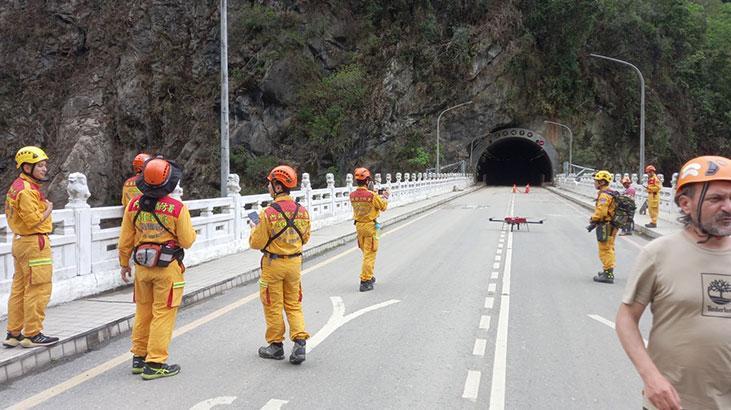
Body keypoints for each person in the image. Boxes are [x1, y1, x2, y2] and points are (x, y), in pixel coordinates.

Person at [616, 155, 731, 410]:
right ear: (685, 204)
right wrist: (651, 377)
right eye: (716, 199)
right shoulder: (658, 254)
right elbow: (626, 318)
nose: (728, 207)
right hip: (673, 404)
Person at [118, 157, 196, 380]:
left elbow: (125, 238)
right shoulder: (177, 208)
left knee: (143, 312)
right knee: (163, 313)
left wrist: (124, 263)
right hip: (167, 268)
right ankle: (155, 363)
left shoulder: (133, 205)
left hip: (142, 267)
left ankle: (139, 358)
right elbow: (187, 240)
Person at [249, 165, 311, 364]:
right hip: (295, 263)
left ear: (277, 185)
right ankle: (300, 341)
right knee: (293, 304)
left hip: (273, 264)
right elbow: (306, 238)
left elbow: (255, 243)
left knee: (272, 304)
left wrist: (254, 228)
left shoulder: (266, 213)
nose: (268, 186)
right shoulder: (302, 211)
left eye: (270, 183)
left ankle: (276, 346)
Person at [3, 146, 59, 348]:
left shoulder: (17, 186)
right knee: (38, 288)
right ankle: (33, 334)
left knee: (19, 289)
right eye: (40, 166)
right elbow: (33, 220)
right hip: (34, 242)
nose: (45, 169)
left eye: (45, 165)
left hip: (20, 242)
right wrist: (49, 209)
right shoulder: (26, 191)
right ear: (27, 167)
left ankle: (13, 333)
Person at [349, 168, 388, 292]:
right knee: (369, 255)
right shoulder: (372, 195)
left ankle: (369, 275)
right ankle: (365, 281)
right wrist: (385, 197)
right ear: (367, 181)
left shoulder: (352, 195)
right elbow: (383, 207)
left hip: (359, 227)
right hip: (371, 227)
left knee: (365, 252)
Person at [587, 170, 617, 284]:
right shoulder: (610, 192)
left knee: (605, 249)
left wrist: (593, 219)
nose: (595, 183)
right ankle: (607, 270)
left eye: (596, 181)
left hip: (606, 225)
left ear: (602, 182)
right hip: (612, 225)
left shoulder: (604, 195)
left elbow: (601, 212)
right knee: (609, 247)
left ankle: (608, 275)